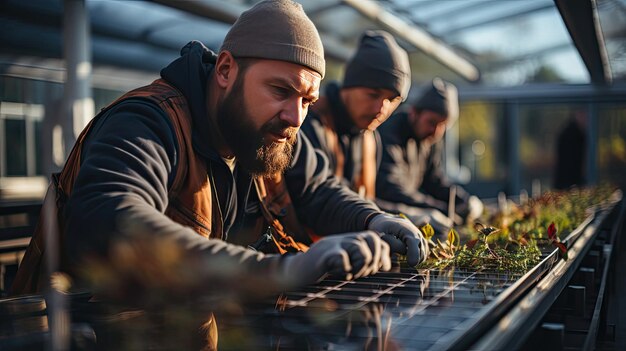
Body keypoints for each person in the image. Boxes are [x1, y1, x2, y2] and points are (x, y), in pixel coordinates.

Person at [12, 0, 428, 303]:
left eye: (308, 100)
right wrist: (276, 271)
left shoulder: (268, 134)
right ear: (226, 69)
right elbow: (112, 218)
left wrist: (375, 218)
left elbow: (318, 188)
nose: (296, 117)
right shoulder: (148, 121)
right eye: (281, 90)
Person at [300, 30, 410, 200]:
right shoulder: (310, 123)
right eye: (373, 95)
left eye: (392, 99)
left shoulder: (369, 138)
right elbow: (317, 200)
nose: (382, 108)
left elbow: (365, 201)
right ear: (347, 87)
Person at [376, 78, 483, 230]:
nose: (436, 131)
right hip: (386, 219)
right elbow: (391, 189)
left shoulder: (428, 140)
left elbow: (434, 179)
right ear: (414, 112)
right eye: (432, 122)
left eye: (443, 125)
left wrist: (464, 200)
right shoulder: (390, 133)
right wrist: (442, 209)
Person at [553, 110, 586, 189]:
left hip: (565, 180)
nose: (586, 119)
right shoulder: (573, 134)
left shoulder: (569, 132)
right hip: (569, 181)